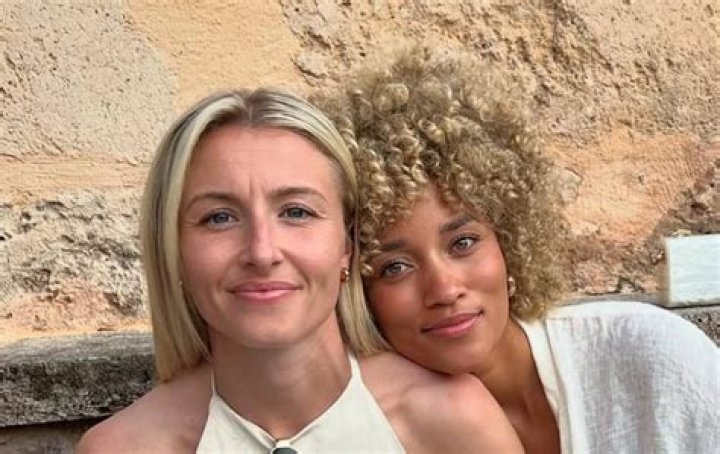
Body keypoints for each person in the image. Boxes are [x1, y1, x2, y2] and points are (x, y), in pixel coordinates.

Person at [314, 47, 720, 454]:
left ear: (509, 240)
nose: (445, 289)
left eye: (463, 243)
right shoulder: (363, 433)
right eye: (396, 267)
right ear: (359, 292)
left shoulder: (651, 356)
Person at [76, 89, 523, 453]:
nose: (262, 252)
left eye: (296, 212)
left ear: (346, 246)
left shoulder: (452, 421)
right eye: (219, 218)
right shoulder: (122, 449)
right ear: (173, 251)